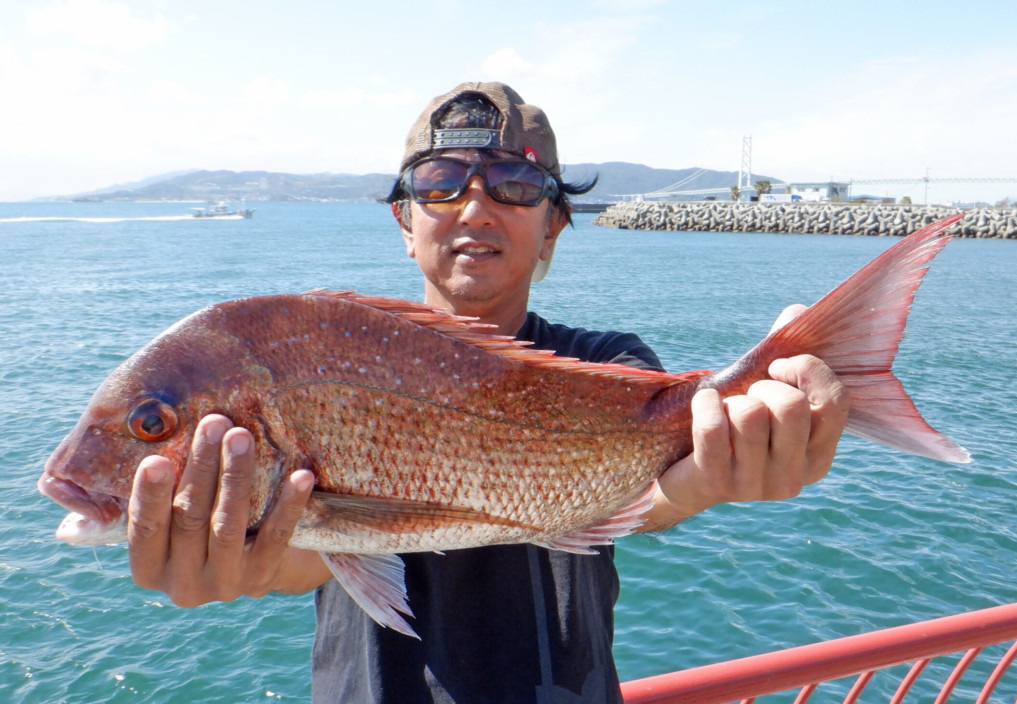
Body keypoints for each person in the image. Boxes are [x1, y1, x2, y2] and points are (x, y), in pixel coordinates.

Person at [125, 82, 849, 703]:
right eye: (439, 181)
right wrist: (239, 561)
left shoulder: (607, 368)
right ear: (404, 222)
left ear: (554, 228)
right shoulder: (331, 359)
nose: (474, 207)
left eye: (516, 184)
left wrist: (720, 472)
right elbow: (314, 552)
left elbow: (650, 498)